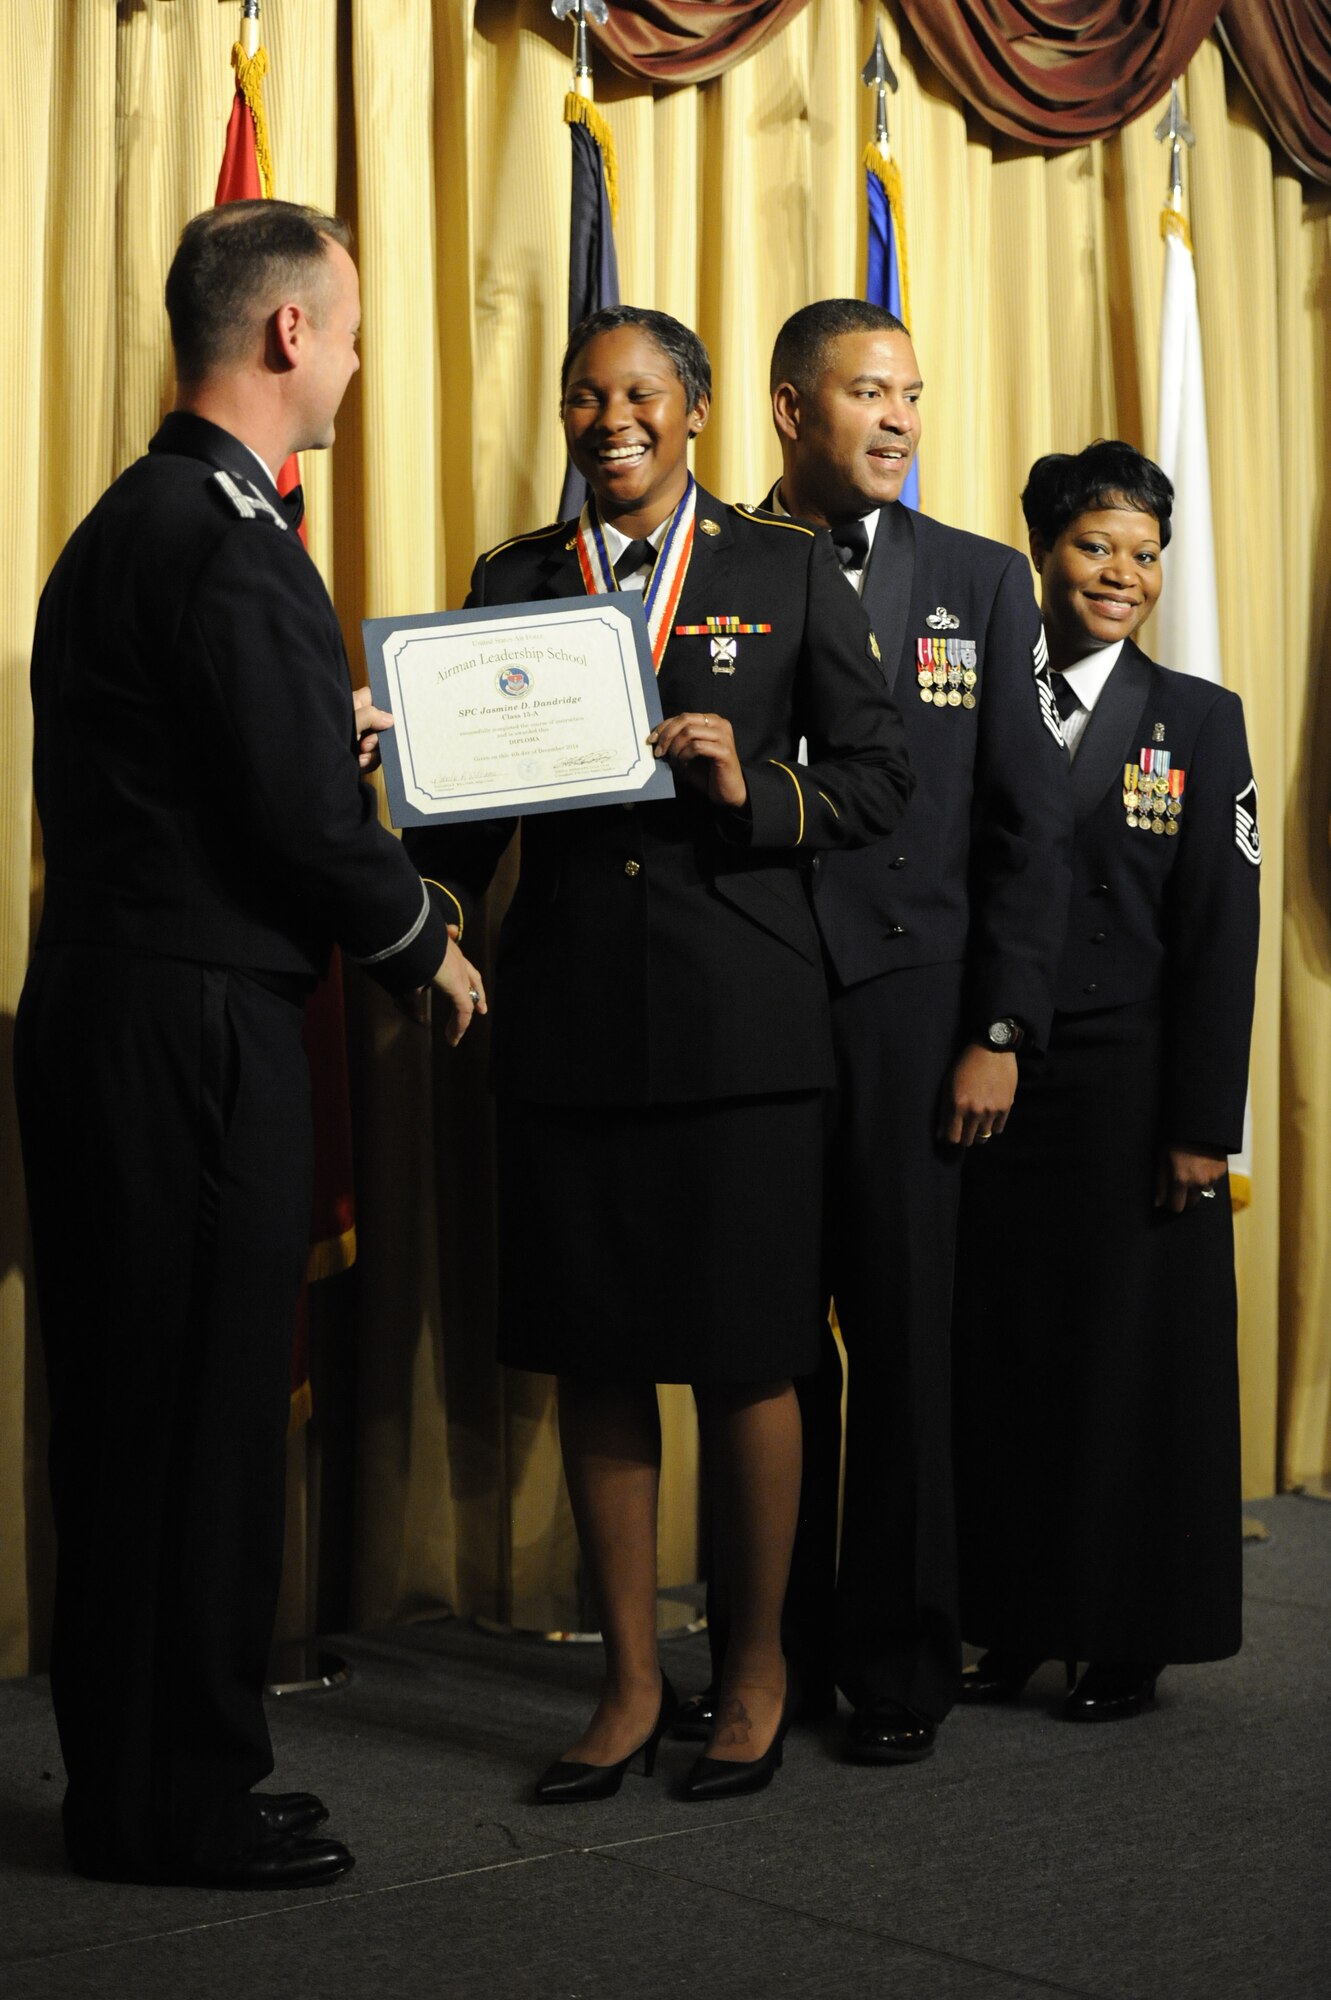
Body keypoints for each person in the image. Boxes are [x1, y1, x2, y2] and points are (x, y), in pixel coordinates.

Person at [15, 199, 485, 1889]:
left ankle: (158, 1774)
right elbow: (294, 818)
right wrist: (422, 937)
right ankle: (173, 1809)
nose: (359, 362)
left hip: (117, 1006)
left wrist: (320, 727)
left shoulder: (133, 523)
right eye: (350, 329)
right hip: (192, 1029)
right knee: (196, 1416)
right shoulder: (230, 537)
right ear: (287, 333)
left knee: (142, 1415)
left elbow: (208, 764)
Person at [406, 304, 913, 1802]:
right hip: (564, 1026)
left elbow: (881, 783)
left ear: (693, 414)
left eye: (638, 393)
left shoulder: (785, 569)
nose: (608, 418)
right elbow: (455, 822)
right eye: (582, 396)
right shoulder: (514, 579)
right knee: (599, 1357)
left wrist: (747, 782)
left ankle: (750, 1673)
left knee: (748, 1358)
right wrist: (423, 902)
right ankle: (629, 1684)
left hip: (740, 1032)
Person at [678, 299, 1073, 1766]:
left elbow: (1029, 827)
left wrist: (1001, 1024)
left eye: (911, 393)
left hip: (919, 1007)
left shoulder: (975, 582)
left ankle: (898, 1665)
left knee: (903, 1341)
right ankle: (762, 1654)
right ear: (788, 409)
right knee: (762, 1349)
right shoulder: (704, 564)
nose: (899, 418)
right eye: (866, 392)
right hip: (755, 1000)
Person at [952, 440, 1260, 1720]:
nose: (1119, 574)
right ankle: (1014, 1615)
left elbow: (1218, 933)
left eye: (1141, 553)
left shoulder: (1196, 717)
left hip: (1136, 1091)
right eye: (1094, 546)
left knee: (1134, 1369)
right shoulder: (970, 693)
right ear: (1042, 550)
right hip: (992, 1080)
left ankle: (1128, 1632)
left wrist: (1202, 1124)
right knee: (1007, 1354)